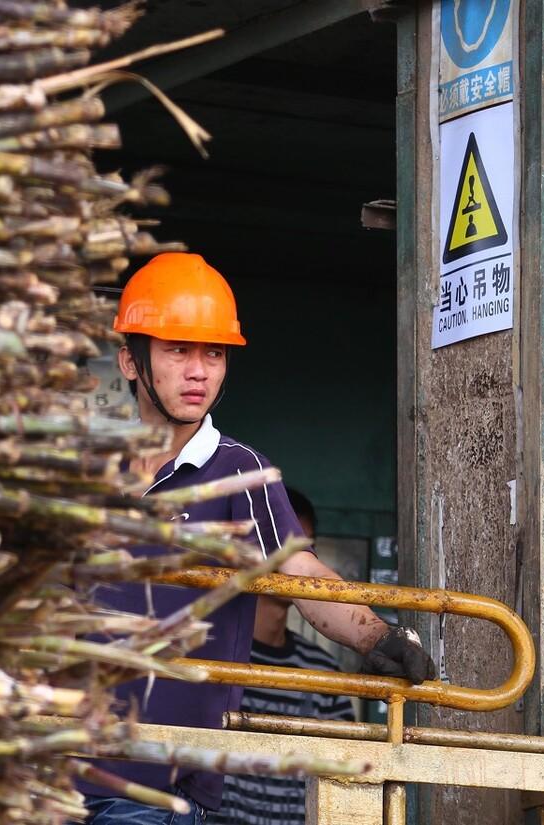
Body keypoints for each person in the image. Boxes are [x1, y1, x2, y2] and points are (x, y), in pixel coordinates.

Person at [82, 253, 435, 825]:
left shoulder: (240, 473)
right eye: (178, 351)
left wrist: (378, 638)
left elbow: (302, 575)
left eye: (214, 353)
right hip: (48, 761)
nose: (199, 372)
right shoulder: (78, 470)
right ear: (130, 360)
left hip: (157, 787)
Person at [211, 488, 357, 825]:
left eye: (309, 549)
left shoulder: (322, 673)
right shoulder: (209, 657)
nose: (301, 564)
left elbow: (347, 775)